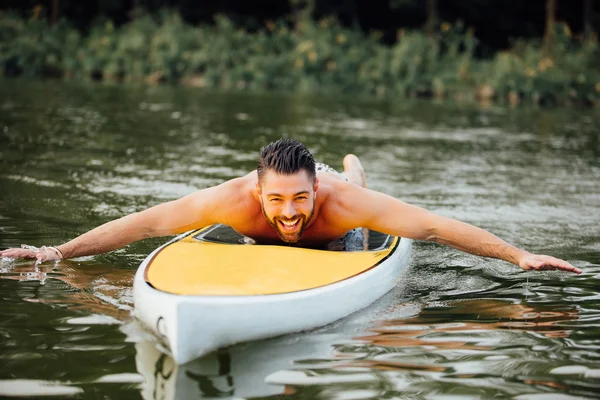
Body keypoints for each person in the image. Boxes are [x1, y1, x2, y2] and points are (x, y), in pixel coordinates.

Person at [0, 138, 582, 274]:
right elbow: (145, 223)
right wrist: (57, 250)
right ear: (257, 191)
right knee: (268, 233)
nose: (287, 211)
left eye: (298, 199)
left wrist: (520, 256)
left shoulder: (336, 204)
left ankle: (351, 167)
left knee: (358, 209)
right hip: (306, 192)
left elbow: (431, 225)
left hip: (341, 214)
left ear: (313, 192)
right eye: (275, 199)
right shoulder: (231, 199)